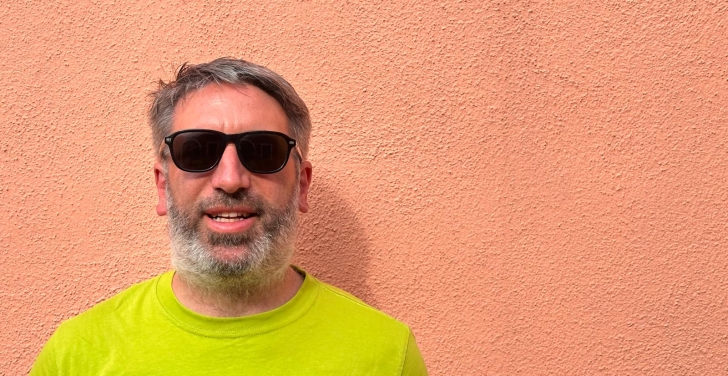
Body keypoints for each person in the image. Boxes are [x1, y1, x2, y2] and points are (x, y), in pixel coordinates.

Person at [30, 58, 427, 375]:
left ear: (302, 185)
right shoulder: (76, 355)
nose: (231, 179)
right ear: (162, 186)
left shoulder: (386, 354)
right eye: (198, 150)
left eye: (263, 150)